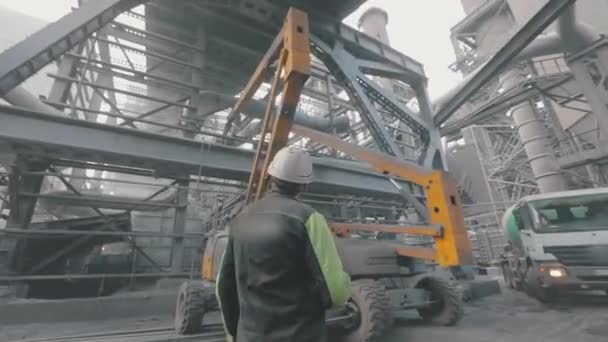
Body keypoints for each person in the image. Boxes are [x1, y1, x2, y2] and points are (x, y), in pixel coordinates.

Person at [216, 146, 351, 342]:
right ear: (304, 185)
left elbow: (223, 286)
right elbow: (336, 292)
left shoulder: (240, 219)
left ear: (270, 176)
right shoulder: (308, 218)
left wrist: (235, 333)